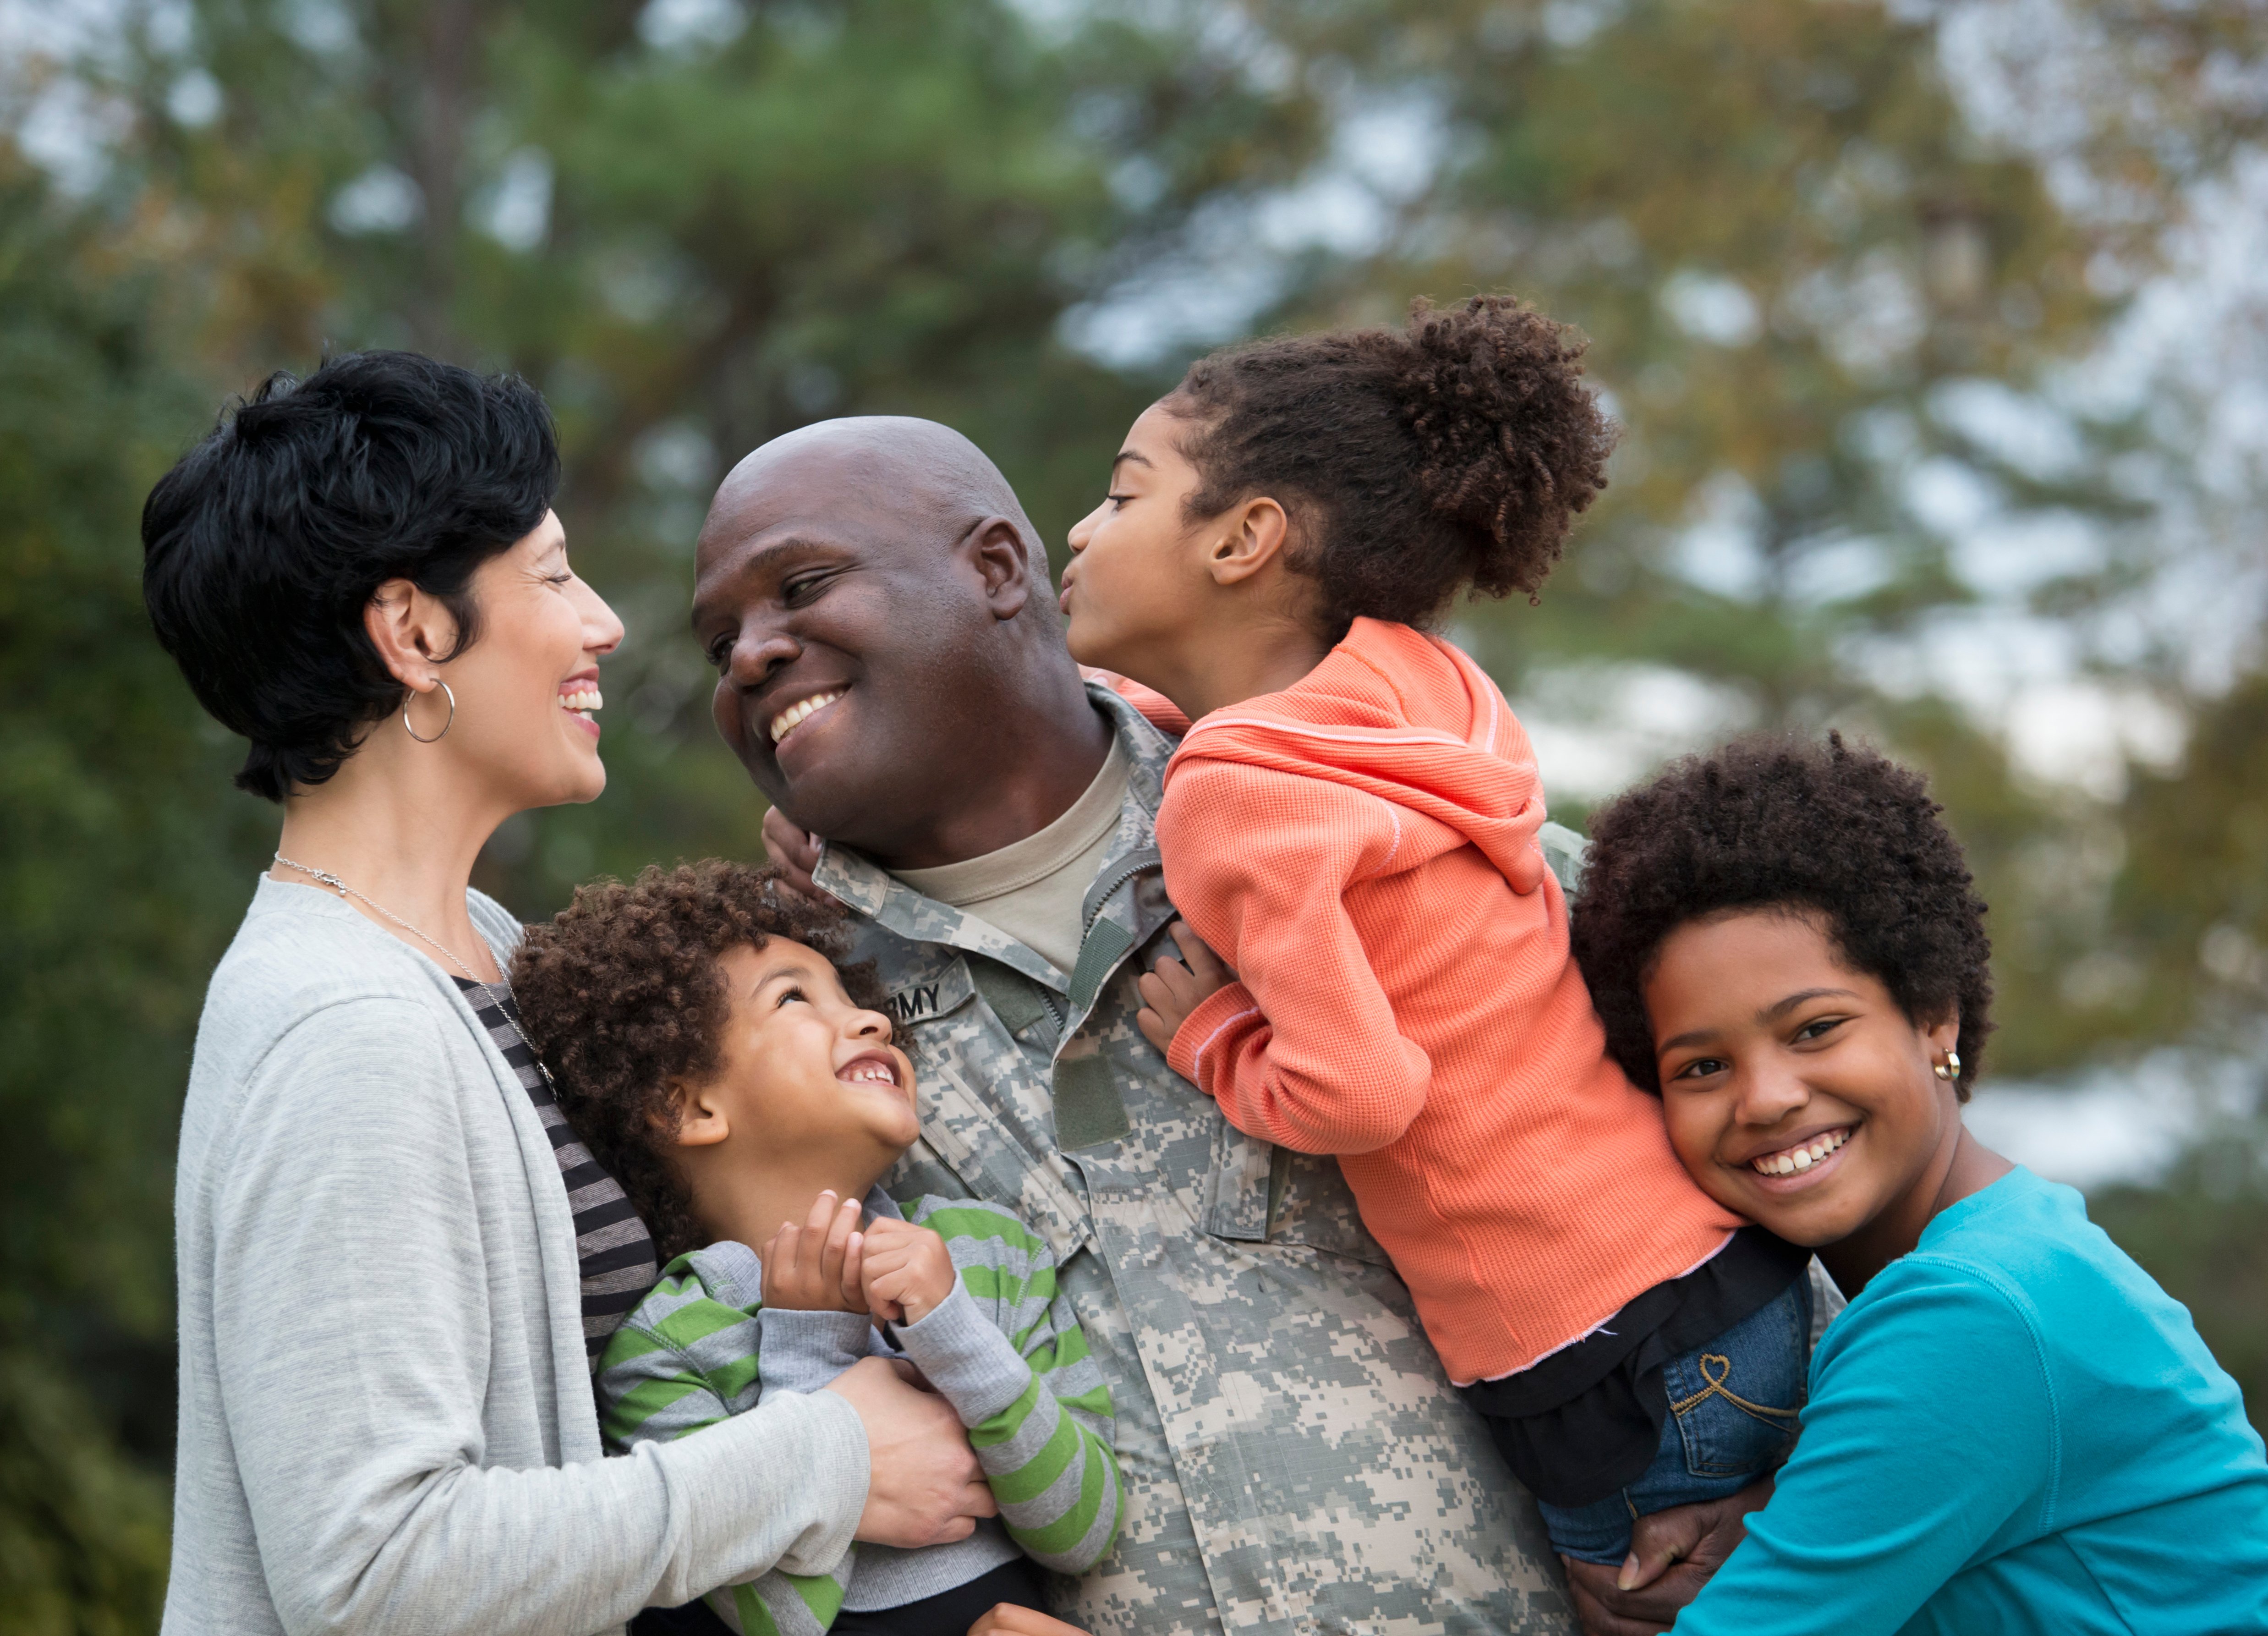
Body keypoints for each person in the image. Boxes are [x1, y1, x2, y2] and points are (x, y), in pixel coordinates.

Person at [145, 352, 995, 1636]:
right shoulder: (346, 1032)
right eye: (550, 575)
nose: (600, 622)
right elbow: (374, 1569)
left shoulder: (480, 949)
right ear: (415, 632)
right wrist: (824, 1459)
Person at [700, 415, 1578, 1635]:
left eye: (799, 586)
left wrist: (1730, 1489)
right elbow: (712, 1392)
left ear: (998, 571)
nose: (747, 656)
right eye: (717, 641)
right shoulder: (778, 1017)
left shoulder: (1362, 827)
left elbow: (1699, 1188)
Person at [1052, 295, 1811, 1571]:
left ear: (1244, 538)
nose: (1076, 528)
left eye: (1121, 497)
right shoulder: (1413, 691)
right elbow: (1259, 739)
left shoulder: (1233, 800)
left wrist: (1209, 1040)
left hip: (1587, 1358)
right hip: (1730, 1289)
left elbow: (1358, 1090)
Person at [1561, 733, 2268, 1634]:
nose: (1767, 1099)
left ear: (1936, 1017)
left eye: (1815, 1029)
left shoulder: (1975, 1310)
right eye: (1701, 1068)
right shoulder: (2020, 1243)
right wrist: (1774, 1513)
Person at [508, 860, 1123, 1636]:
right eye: (795, 997)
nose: (874, 1022)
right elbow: (778, 1619)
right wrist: (809, 1349)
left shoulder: (988, 1252)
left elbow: (1084, 1530)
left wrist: (958, 1333)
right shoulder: (667, 1346)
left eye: (855, 998)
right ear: (689, 1106)